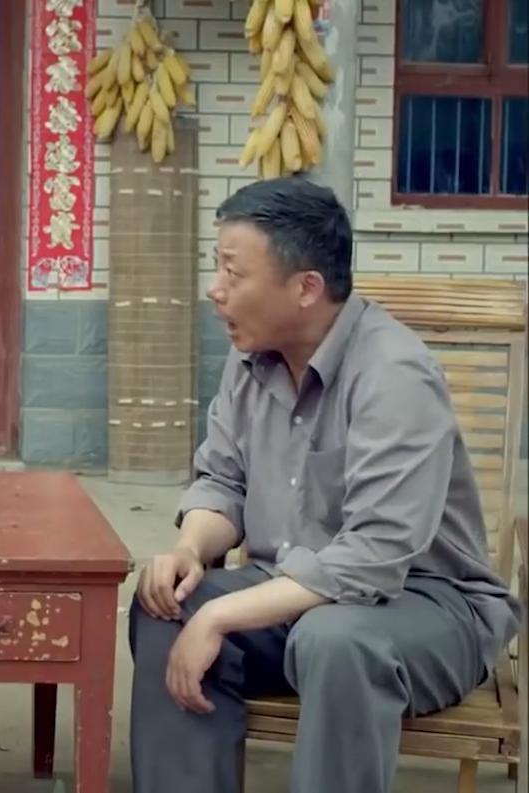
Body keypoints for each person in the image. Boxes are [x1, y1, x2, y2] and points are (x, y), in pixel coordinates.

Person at [128, 176, 521, 793]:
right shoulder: (250, 356)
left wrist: (223, 615)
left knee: (336, 640)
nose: (215, 288)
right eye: (217, 267)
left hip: (424, 605)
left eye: (233, 272)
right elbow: (223, 481)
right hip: (289, 590)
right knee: (165, 607)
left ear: (306, 288)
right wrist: (189, 548)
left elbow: (374, 556)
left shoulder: (393, 374)